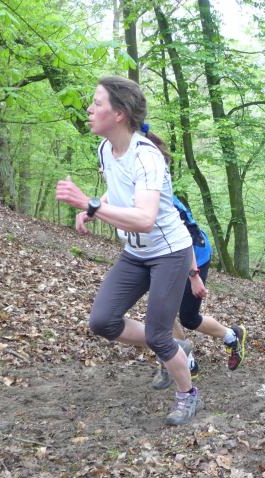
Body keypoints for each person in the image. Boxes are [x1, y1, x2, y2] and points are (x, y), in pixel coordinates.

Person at [55, 75, 201, 426]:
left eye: (97, 103)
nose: (89, 109)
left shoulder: (146, 156)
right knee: (102, 321)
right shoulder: (106, 149)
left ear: (119, 114)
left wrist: (90, 204)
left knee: (158, 335)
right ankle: (177, 349)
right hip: (136, 254)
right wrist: (95, 206)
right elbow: (119, 190)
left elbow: (145, 219)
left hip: (169, 253)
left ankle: (188, 395)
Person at [150, 194, 246, 390]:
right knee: (163, 310)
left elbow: (189, 237)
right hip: (166, 258)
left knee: (188, 318)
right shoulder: (129, 193)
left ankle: (232, 336)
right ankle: (187, 361)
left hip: (194, 255)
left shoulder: (164, 201)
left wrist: (193, 275)